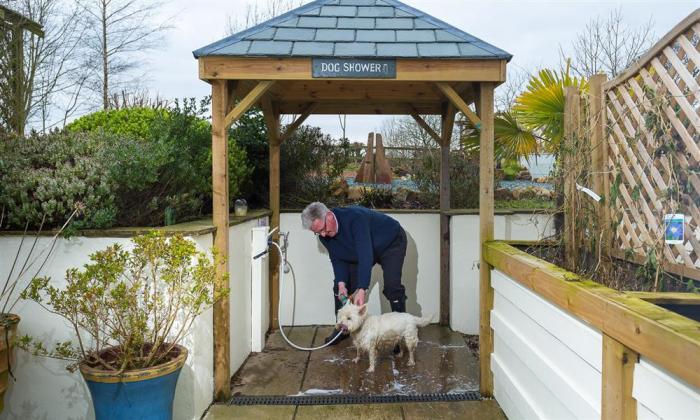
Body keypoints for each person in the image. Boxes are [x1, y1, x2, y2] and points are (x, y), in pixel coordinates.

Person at [301, 202, 407, 345]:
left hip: (390, 242)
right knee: (339, 289)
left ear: (329, 216)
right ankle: (342, 330)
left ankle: (400, 334)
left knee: (392, 286)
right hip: (361, 249)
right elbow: (337, 258)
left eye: (323, 229)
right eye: (318, 232)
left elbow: (365, 256)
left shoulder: (355, 219)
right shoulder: (324, 235)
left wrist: (362, 288)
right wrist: (341, 284)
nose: (323, 234)